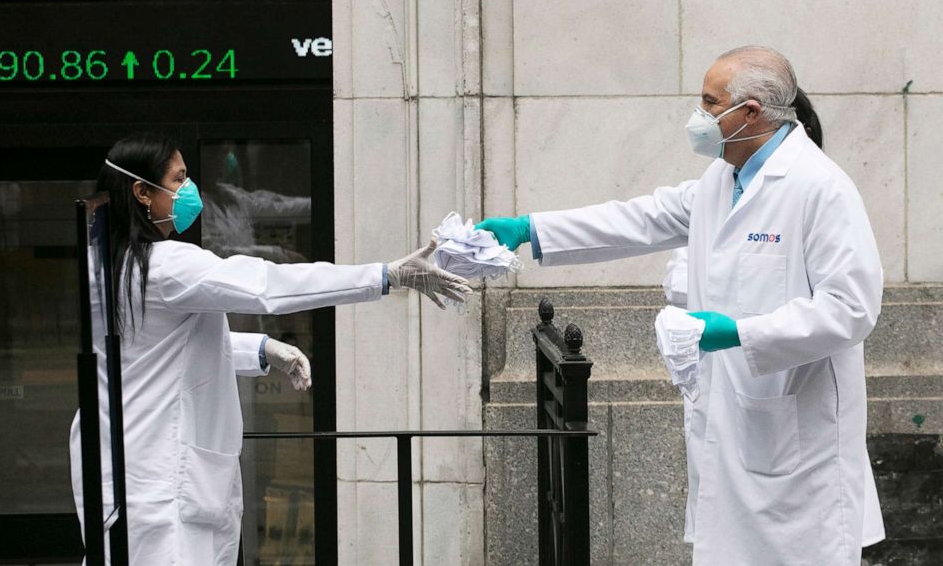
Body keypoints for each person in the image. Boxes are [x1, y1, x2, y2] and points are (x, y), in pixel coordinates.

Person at [478, 47, 884, 565]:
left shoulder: (820, 188)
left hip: (795, 446)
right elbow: (639, 219)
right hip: (734, 428)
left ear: (751, 112)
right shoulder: (724, 178)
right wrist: (530, 229)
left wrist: (740, 333)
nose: (699, 117)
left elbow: (851, 308)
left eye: (710, 103)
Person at [69, 133, 472, 565]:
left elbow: (164, 349)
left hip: (132, 460)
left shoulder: (112, 262)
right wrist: (385, 276)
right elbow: (269, 287)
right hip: (158, 474)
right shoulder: (167, 267)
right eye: (179, 179)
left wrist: (262, 350)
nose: (189, 190)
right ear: (142, 193)